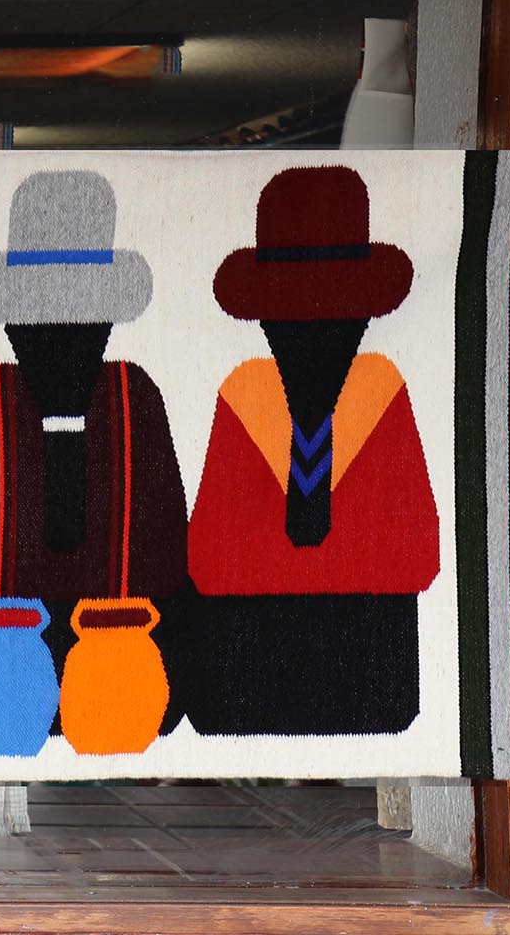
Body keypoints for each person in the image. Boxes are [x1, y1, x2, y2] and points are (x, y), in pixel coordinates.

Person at [0, 170, 185, 755]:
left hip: (123, 660)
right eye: (39, 315)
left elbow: (168, 556)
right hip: (2, 662)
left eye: (81, 313)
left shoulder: (132, 397)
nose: (60, 331)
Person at [182, 165, 436, 736]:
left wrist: (284, 563)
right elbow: (209, 558)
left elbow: (417, 551)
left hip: (366, 671)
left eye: (333, 305)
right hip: (256, 670)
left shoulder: (381, 388)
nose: (310, 324)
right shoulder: (245, 392)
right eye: (287, 308)